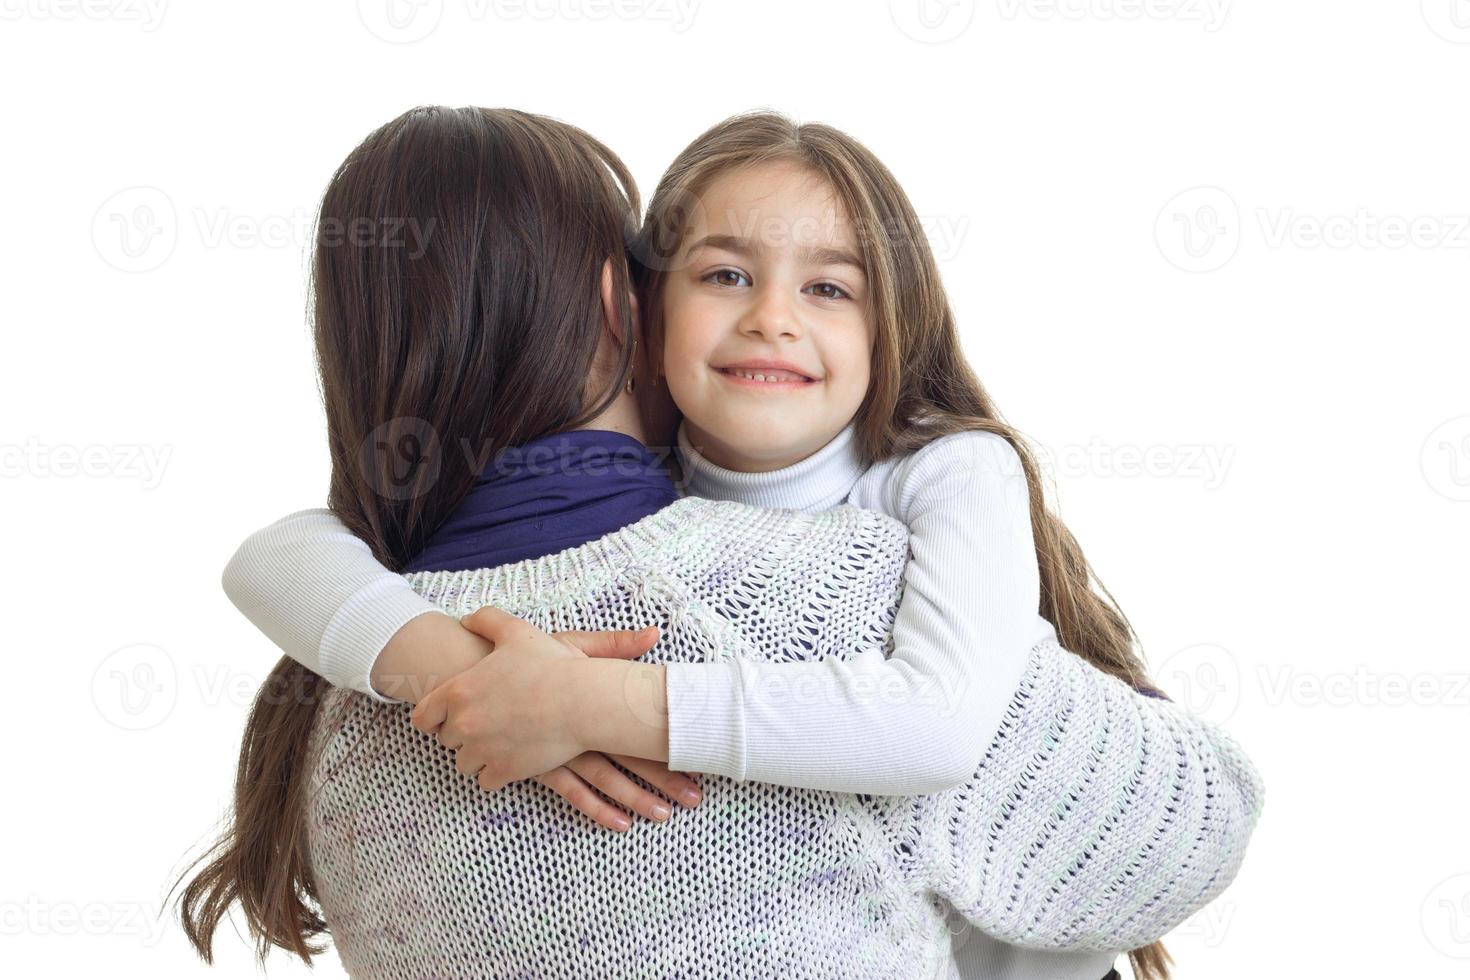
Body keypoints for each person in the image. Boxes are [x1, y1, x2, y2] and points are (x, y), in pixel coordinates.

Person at [185, 106, 1263, 980]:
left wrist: (508, 678)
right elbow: (1201, 818)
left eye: (829, 287)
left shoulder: (330, 708)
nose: (772, 320)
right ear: (631, 305)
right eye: (724, 276)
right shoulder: (841, 600)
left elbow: (281, 558)